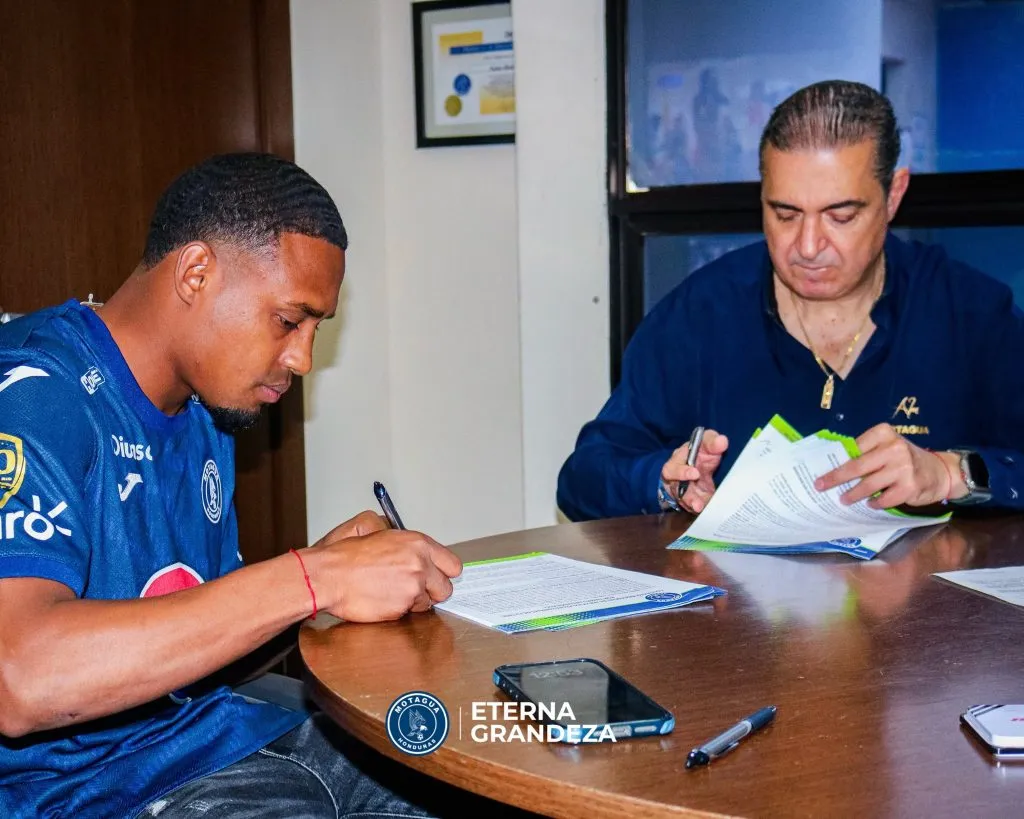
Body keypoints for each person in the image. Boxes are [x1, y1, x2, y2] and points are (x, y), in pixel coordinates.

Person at [0, 153, 463, 818]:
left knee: (464, 774)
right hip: (88, 792)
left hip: (224, 743)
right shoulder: (33, 396)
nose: (303, 359)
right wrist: (313, 578)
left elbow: (201, 652)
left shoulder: (205, 409)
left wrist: (319, 582)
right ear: (196, 273)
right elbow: (18, 676)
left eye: (316, 329)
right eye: (289, 320)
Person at [557, 80, 1024, 522]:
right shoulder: (702, 314)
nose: (808, 245)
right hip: (738, 584)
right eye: (785, 214)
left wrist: (952, 473)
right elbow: (584, 476)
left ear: (893, 195)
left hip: (929, 583)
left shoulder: (970, 313)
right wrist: (662, 481)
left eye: (840, 216)